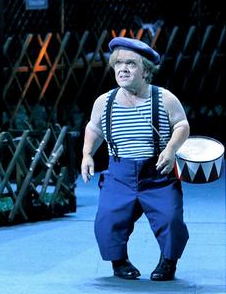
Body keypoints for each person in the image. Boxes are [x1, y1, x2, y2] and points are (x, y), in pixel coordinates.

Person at [80, 37, 190, 281]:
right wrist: (87, 154)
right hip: (120, 174)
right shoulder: (105, 102)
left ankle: (168, 262)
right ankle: (119, 262)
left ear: (146, 71)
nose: (123, 69)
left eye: (131, 64)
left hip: (157, 174)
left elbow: (182, 125)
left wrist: (171, 149)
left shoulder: (164, 98)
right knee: (107, 220)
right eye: (118, 63)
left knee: (170, 219)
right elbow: (94, 128)